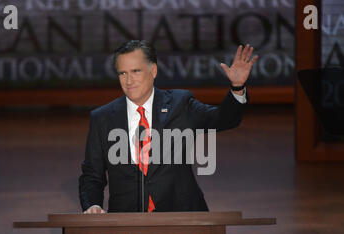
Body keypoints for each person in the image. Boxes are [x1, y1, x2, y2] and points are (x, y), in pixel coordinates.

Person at [79, 40, 258, 213]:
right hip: (127, 222)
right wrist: (92, 205)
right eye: (123, 73)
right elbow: (92, 175)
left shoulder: (180, 104)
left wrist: (237, 87)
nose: (129, 80)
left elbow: (223, 119)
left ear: (153, 70)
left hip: (181, 218)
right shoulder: (102, 118)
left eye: (135, 71)